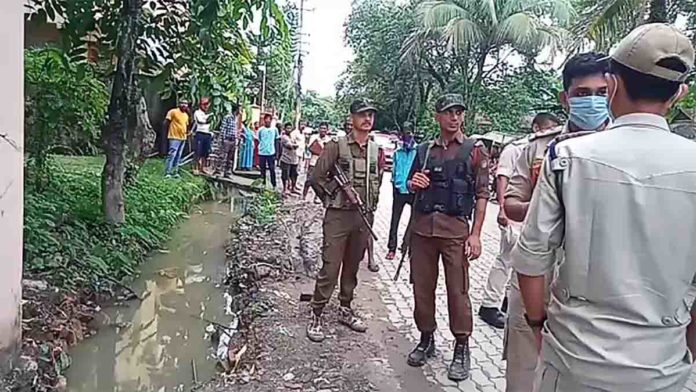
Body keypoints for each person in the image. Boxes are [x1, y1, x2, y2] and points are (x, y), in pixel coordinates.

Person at [514, 25, 696, 391]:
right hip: (662, 371)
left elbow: (532, 257)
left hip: (574, 362)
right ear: (679, 93)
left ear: (612, 85)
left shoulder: (567, 157)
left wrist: (537, 325)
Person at [502, 52, 611, 392]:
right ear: (566, 98)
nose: (592, 100)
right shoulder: (539, 148)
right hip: (536, 277)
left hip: (596, 286)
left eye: (601, 92)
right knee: (523, 376)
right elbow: (509, 204)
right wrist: (544, 198)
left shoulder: (621, 150)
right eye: (582, 93)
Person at [406, 93, 489, 381]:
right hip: (422, 231)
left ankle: (461, 347)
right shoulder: (424, 150)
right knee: (422, 289)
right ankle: (426, 338)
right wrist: (413, 182)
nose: (454, 117)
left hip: (455, 232)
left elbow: (482, 195)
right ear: (437, 116)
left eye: (458, 112)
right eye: (448, 112)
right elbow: (409, 183)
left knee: (458, 291)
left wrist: (476, 234)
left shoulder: (474, 150)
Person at [306, 99, 384, 343]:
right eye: (362, 114)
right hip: (338, 216)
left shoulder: (375, 149)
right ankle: (316, 313)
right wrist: (334, 197)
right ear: (351, 118)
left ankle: (345, 308)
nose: (367, 119)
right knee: (331, 267)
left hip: (363, 216)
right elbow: (316, 177)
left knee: (352, 266)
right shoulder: (336, 145)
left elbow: (378, 181)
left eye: (371, 114)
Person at [478, 113, 561, 330]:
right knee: (507, 259)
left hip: (534, 221)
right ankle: (489, 304)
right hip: (515, 216)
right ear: (536, 127)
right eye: (548, 127)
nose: (550, 131)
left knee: (522, 263)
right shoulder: (517, 148)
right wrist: (503, 210)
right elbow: (503, 178)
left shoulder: (556, 146)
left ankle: (509, 302)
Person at [385, 124, 418, 261]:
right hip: (399, 190)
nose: (408, 136)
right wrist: (395, 184)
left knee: (413, 220)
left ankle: (406, 245)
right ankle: (391, 248)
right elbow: (394, 170)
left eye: (410, 133)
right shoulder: (398, 152)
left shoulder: (418, 151)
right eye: (405, 133)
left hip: (413, 191)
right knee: (395, 220)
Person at [303, 122, 331, 200]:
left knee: (320, 181)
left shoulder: (329, 140)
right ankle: (304, 196)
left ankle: (317, 197)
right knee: (309, 180)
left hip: (323, 163)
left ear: (327, 130)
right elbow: (309, 148)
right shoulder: (314, 137)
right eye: (321, 128)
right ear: (318, 129)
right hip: (313, 161)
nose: (323, 130)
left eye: (324, 128)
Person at [164, 99, 190, 178]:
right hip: (174, 136)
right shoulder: (173, 112)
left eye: (186, 104)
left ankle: (175, 172)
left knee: (178, 155)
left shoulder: (186, 115)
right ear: (179, 104)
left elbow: (186, 125)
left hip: (182, 138)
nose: (184, 105)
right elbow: (166, 122)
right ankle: (168, 172)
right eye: (182, 103)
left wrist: (187, 133)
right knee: (172, 154)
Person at [216, 103, 240, 178]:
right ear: (236, 110)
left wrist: (236, 138)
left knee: (230, 158)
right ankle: (218, 172)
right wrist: (222, 139)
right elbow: (223, 128)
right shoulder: (228, 117)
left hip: (233, 139)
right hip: (227, 139)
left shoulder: (236, 118)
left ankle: (227, 173)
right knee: (222, 156)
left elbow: (235, 129)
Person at [257, 114, 280, 189]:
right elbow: (259, 139)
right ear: (264, 121)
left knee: (272, 169)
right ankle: (263, 183)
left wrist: (277, 153)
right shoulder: (260, 130)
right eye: (266, 120)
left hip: (271, 152)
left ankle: (274, 184)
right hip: (262, 152)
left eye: (269, 120)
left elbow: (276, 141)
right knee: (262, 169)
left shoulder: (274, 130)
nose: (267, 122)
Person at [192, 97, 213, 175]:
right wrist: (210, 118)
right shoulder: (197, 112)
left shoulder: (210, 113)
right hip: (200, 133)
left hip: (208, 133)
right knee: (198, 151)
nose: (206, 106)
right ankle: (195, 168)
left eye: (207, 104)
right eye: (204, 104)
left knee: (206, 152)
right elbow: (201, 121)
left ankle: (202, 168)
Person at [280, 122, 301, 195]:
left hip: (294, 159)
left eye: (290, 128)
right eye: (287, 128)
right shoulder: (284, 137)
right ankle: (285, 189)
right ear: (284, 129)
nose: (289, 130)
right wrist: (296, 145)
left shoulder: (292, 136)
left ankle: (293, 188)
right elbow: (290, 146)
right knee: (285, 175)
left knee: (294, 175)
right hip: (286, 159)